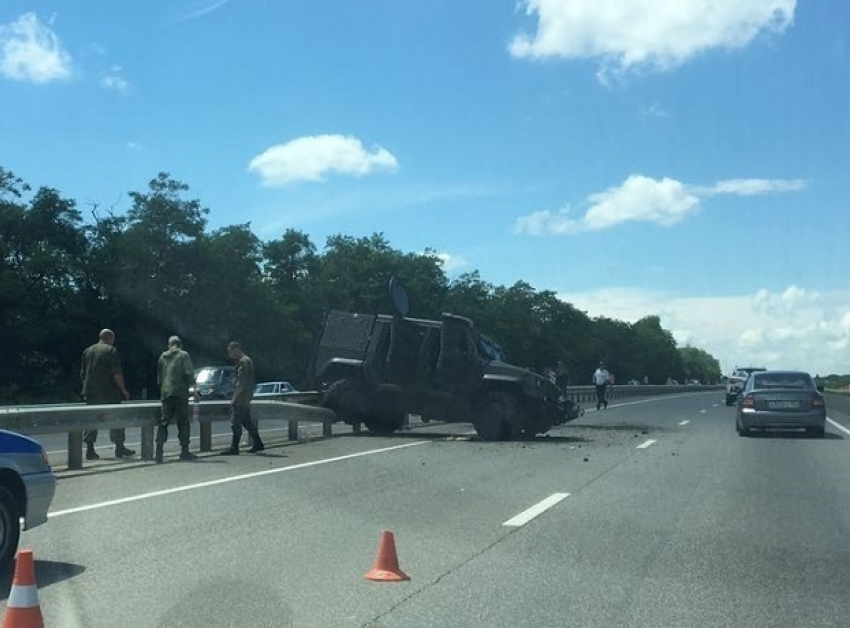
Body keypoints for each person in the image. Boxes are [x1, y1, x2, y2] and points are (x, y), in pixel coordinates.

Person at [80, 329, 135, 460]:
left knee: (92, 420)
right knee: (117, 418)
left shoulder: (87, 351)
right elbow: (116, 372)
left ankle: (90, 450)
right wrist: (123, 389)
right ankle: (119, 447)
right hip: (108, 391)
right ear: (109, 338)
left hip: (90, 392)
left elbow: (82, 373)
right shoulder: (111, 350)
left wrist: (86, 387)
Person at [155, 336, 197, 463]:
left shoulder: (162, 357)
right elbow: (188, 373)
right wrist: (195, 391)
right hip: (180, 393)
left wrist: (163, 390)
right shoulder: (183, 355)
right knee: (183, 422)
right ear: (180, 345)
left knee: (164, 422)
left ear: (169, 345)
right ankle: (184, 451)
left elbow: (160, 377)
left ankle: (159, 452)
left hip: (166, 393)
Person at [220, 341, 264, 455]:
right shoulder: (246, 361)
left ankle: (234, 447)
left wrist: (234, 399)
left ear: (236, 350)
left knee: (235, 422)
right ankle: (258, 443)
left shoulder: (244, 362)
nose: (229, 355)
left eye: (230, 352)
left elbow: (241, 383)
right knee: (246, 421)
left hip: (242, 397)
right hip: (246, 396)